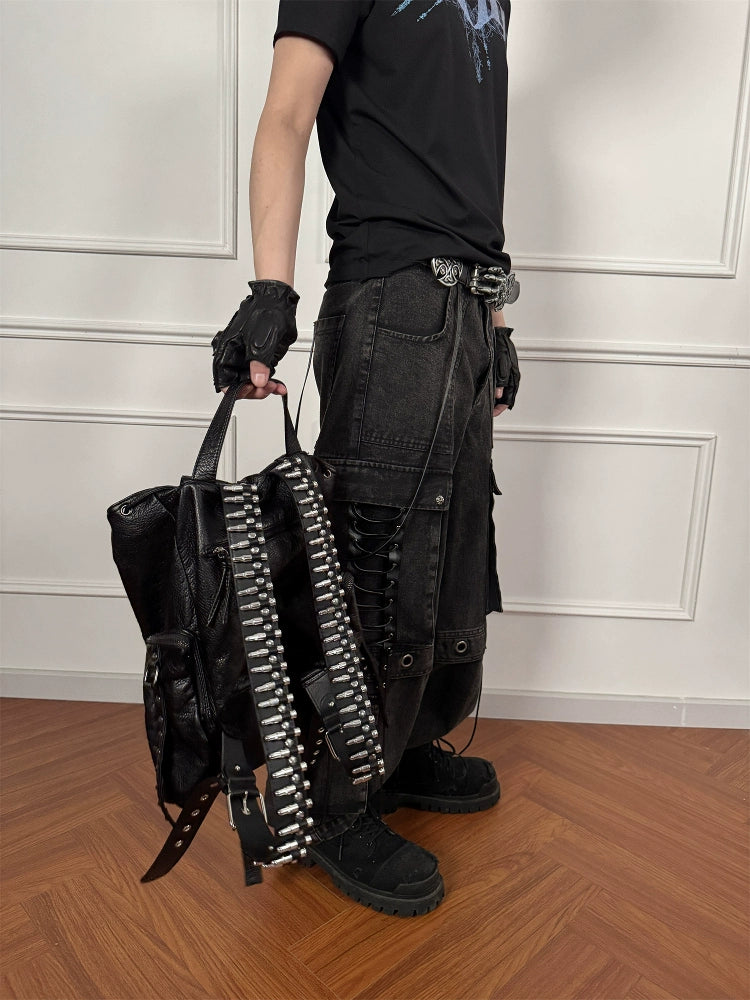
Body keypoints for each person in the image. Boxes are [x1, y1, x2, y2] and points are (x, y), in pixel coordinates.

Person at [211, 0, 521, 917]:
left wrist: (500, 319)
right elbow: (286, 114)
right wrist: (271, 290)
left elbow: (471, 168)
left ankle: (402, 742)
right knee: (376, 563)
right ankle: (332, 802)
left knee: (452, 551)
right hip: (393, 299)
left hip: (467, 307)